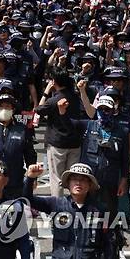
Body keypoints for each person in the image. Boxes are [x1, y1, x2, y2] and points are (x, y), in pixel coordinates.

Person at [24, 162, 113, 258]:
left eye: (83, 180)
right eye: (74, 179)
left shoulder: (100, 209)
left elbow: (107, 243)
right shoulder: (57, 204)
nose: (78, 183)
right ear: (68, 183)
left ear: (90, 185)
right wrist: (30, 178)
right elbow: (27, 199)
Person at [33, 69, 82, 197]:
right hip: (75, 142)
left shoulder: (54, 100)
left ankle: (57, 207)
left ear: (54, 82)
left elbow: (38, 110)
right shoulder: (76, 97)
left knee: (56, 178)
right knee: (74, 176)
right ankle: (75, 203)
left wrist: (46, 92)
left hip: (57, 142)